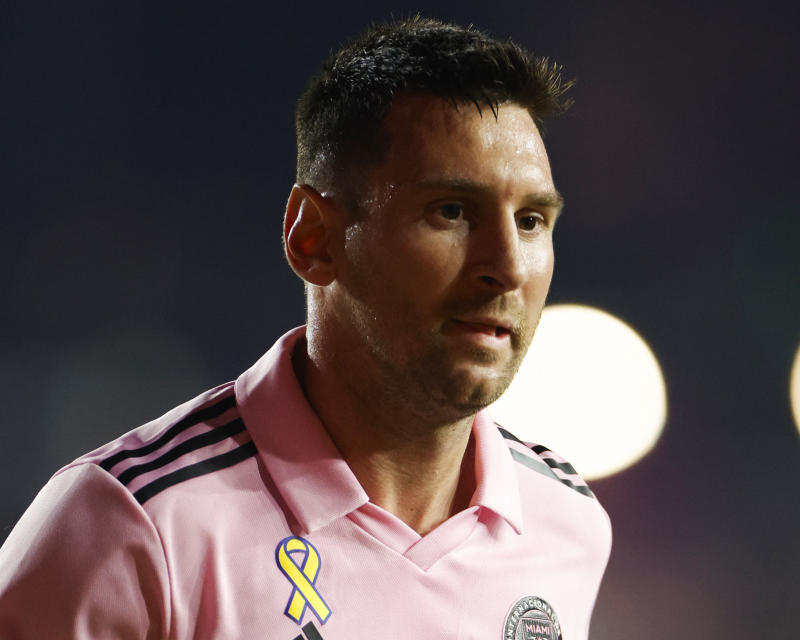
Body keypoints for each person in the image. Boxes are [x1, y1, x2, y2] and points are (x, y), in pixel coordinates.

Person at [0, 17, 611, 639]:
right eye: (451, 212)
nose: (507, 266)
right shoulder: (132, 526)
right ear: (313, 237)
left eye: (532, 220)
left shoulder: (564, 519)